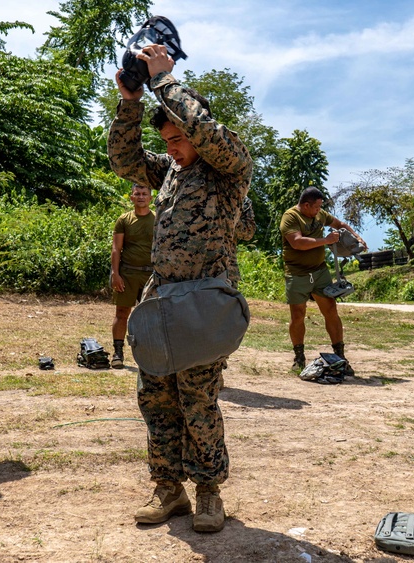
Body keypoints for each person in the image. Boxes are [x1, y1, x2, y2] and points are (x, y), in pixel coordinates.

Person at [108, 43, 251, 533]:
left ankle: (209, 492)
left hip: (206, 302)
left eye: (178, 138)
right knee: (156, 397)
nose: (171, 147)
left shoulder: (228, 168)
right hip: (162, 299)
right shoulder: (169, 172)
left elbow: (207, 133)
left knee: (198, 399)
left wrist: (165, 79)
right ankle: (168, 489)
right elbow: (123, 158)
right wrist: (130, 102)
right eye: (166, 140)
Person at [279, 187, 366, 369]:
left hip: (320, 272)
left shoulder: (320, 215)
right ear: (306, 205)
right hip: (297, 273)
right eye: (316, 207)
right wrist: (326, 241)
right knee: (297, 315)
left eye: (320, 207)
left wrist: (357, 237)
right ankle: (299, 358)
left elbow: (340, 225)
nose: (319, 210)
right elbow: (297, 242)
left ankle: (340, 356)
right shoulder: (291, 217)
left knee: (331, 310)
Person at [110, 184, 155, 369]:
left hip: (151, 275)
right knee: (122, 313)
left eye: (145, 194)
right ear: (131, 197)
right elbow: (116, 248)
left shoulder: (159, 219)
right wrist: (115, 274)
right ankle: (118, 353)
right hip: (127, 273)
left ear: (150, 198)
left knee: (151, 316)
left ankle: (150, 355)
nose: (141, 197)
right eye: (137, 194)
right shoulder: (124, 219)